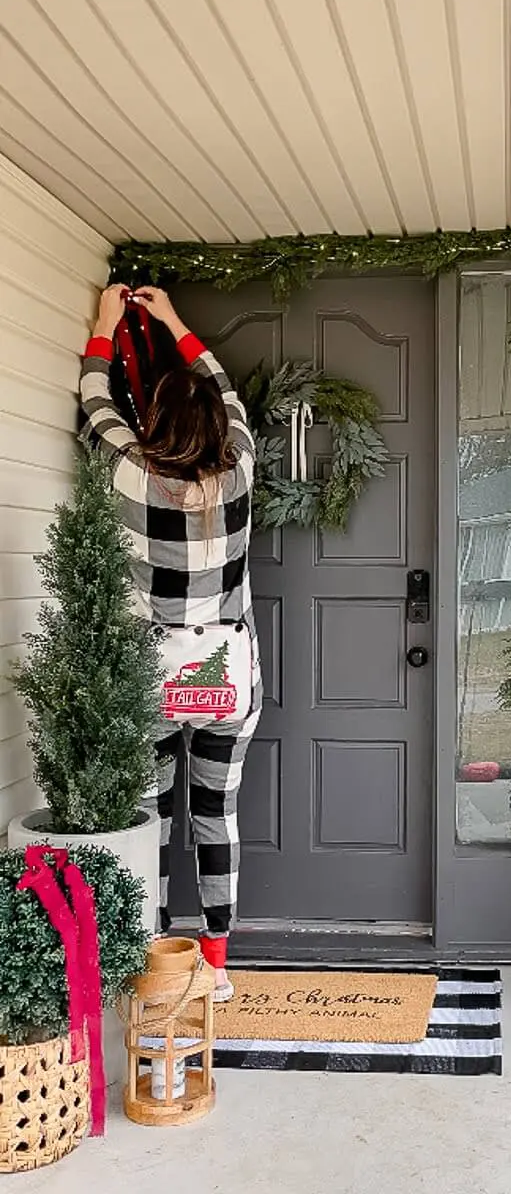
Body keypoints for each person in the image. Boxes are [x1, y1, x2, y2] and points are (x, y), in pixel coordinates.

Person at [80, 283, 262, 1001]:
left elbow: (96, 402)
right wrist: (175, 322)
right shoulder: (240, 471)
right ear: (217, 425)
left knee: (151, 816)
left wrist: (105, 323)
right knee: (217, 814)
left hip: (151, 675)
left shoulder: (129, 472)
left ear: (154, 422)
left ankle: (158, 957)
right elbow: (229, 391)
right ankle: (214, 964)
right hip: (225, 676)